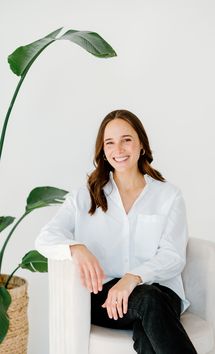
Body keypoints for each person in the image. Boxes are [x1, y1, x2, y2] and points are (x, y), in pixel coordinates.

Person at [35, 109, 197, 354]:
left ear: (141, 143)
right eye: (110, 142)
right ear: (103, 150)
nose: (118, 149)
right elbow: (45, 238)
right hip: (104, 299)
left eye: (126, 140)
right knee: (149, 303)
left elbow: (173, 256)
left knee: (149, 308)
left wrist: (133, 278)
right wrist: (75, 248)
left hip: (160, 291)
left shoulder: (168, 196)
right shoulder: (85, 197)